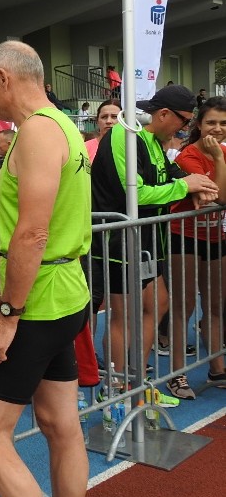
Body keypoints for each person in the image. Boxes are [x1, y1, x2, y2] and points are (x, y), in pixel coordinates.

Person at [0, 40, 92, 497]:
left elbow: (33, 232)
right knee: (61, 425)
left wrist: (8, 315)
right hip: (67, 295)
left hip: (38, 303)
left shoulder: (38, 132)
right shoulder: (62, 125)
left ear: (3, 79)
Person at [90, 84, 218, 382]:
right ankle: (119, 384)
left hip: (146, 239)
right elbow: (134, 193)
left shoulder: (151, 138)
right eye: (184, 121)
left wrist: (195, 182)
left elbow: (168, 173)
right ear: (163, 114)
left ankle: (135, 376)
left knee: (158, 302)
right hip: (118, 239)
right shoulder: (126, 134)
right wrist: (187, 187)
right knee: (124, 313)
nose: (185, 129)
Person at [166, 96, 226, 397]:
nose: (217, 128)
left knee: (215, 306)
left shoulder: (224, 154)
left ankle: (217, 367)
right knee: (184, 306)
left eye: (223, 123)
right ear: (199, 125)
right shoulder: (188, 156)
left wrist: (219, 161)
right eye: (211, 122)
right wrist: (218, 161)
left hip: (216, 237)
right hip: (185, 235)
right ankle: (177, 375)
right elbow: (215, 196)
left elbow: (222, 199)